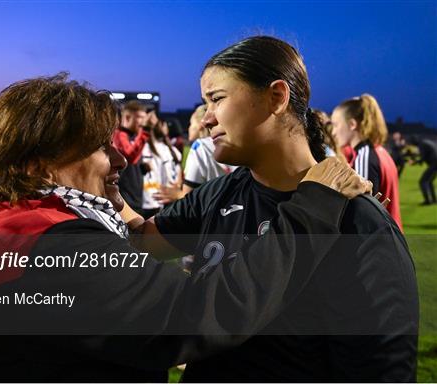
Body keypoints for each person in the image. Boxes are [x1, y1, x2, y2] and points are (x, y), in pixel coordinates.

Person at [0, 73, 370, 382]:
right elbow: (202, 313)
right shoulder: (60, 245)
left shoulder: (24, 221)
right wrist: (314, 207)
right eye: (101, 147)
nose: (119, 160)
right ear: (39, 162)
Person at [120, 36, 418, 382]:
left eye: (217, 99)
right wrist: (101, 181)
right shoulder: (219, 193)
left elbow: (383, 370)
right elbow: (143, 239)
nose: (206, 119)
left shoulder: (359, 220)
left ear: (276, 97)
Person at [332, 93, 403, 230]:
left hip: (379, 243)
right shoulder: (379, 151)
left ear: (352, 124)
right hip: (389, 238)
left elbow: (362, 215)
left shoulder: (364, 158)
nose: (333, 132)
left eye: (336, 125)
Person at [153, 105, 237, 205]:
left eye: (191, 124)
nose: (189, 128)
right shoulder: (233, 144)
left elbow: (189, 199)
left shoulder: (200, 146)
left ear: (200, 125)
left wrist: (178, 195)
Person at [113, 101, 155, 215]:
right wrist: (145, 131)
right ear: (127, 117)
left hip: (135, 196)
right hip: (125, 199)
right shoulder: (119, 134)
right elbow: (129, 156)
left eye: (144, 118)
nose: (143, 122)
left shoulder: (133, 135)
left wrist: (142, 167)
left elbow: (131, 163)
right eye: (140, 118)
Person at [141, 121, 182, 218]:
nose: (165, 127)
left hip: (158, 197)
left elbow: (177, 170)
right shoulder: (165, 148)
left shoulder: (166, 148)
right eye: (162, 124)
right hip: (160, 197)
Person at [409, 135, 437, 205]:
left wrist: (414, 162)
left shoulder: (422, 145)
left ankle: (427, 201)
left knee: (422, 181)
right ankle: (434, 200)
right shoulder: (425, 142)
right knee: (429, 181)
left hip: (434, 164)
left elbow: (422, 158)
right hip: (435, 163)